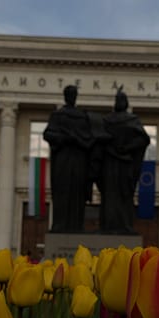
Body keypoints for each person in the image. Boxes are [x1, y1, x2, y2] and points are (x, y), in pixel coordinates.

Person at [96, 89, 150, 234]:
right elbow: (98, 140)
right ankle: (109, 226)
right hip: (112, 163)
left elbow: (144, 139)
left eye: (121, 100)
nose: (120, 102)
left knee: (124, 194)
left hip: (123, 164)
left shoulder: (129, 120)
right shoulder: (109, 120)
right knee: (111, 195)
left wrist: (126, 147)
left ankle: (124, 225)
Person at [43, 85, 94, 233]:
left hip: (78, 160)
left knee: (77, 192)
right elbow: (48, 135)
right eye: (70, 94)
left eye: (73, 94)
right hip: (63, 159)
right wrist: (64, 138)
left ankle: (76, 225)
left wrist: (78, 140)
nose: (72, 97)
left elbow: (90, 140)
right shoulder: (58, 115)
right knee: (62, 191)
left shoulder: (82, 117)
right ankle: (60, 224)